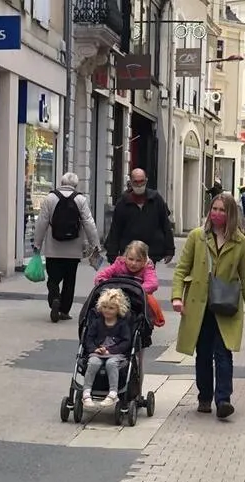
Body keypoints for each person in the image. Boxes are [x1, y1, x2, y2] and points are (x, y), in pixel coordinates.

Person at [172, 194, 245, 420]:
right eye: (214, 209)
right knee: (203, 353)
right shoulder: (197, 236)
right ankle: (204, 397)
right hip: (199, 305)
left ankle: (223, 400)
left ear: (230, 214)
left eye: (222, 210)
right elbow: (181, 269)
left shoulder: (240, 241)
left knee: (223, 352)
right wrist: (177, 297)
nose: (217, 214)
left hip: (226, 305)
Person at [33, 172, 101, 323]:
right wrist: (95, 244)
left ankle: (54, 299)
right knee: (70, 280)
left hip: (53, 248)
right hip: (73, 249)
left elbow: (42, 222)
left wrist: (37, 243)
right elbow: (89, 223)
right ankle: (64, 310)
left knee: (53, 278)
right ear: (76, 185)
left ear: (61, 182)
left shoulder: (50, 198)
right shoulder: (80, 199)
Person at [105, 168, 176, 266]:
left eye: (141, 181)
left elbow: (165, 224)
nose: (139, 185)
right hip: (129, 253)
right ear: (130, 182)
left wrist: (170, 250)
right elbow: (115, 229)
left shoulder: (156, 199)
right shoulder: (123, 202)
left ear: (146, 180)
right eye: (136, 182)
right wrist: (112, 255)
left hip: (151, 252)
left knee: (148, 275)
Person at [81, 288, 133, 408]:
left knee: (111, 363)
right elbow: (89, 338)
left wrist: (111, 351)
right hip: (98, 352)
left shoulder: (122, 325)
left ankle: (113, 392)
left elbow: (126, 342)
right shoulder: (97, 323)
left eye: (111, 308)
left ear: (118, 309)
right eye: (104, 307)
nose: (107, 310)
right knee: (93, 362)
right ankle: (86, 391)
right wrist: (94, 349)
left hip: (116, 354)